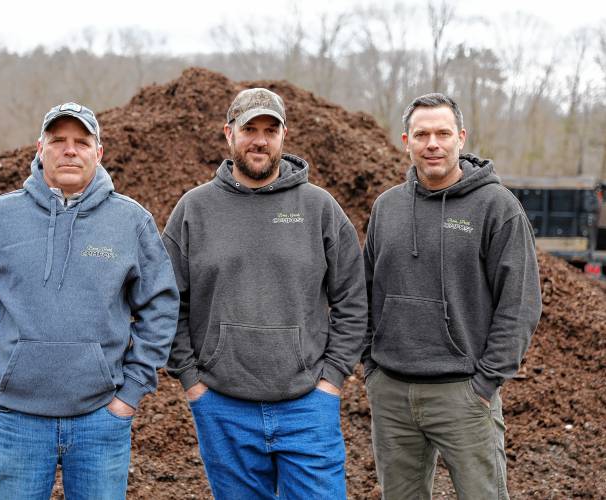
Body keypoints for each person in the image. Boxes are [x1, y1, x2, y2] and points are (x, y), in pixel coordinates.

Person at [0, 102, 179, 499]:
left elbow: (160, 306)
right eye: (58, 141)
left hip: (100, 420)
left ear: (98, 153)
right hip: (15, 420)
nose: (70, 150)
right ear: (40, 148)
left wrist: (131, 392)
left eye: (81, 142)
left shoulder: (131, 222)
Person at [161, 88, 368, 499]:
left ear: (283, 135)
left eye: (269, 130)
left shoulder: (319, 208)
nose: (259, 139)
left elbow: (352, 299)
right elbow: (168, 302)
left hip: (307, 404)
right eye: (249, 129)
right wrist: (191, 381)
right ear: (228, 134)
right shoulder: (194, 210)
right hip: (222, 405)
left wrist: (331, 380)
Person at [361, 93, 542, 499]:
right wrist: (371, 367)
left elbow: (520, 304)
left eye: (443, 133)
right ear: (405, 140)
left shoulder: (497, 207)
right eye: (421, 134)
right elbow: (366, 292)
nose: (433, 144)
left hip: (463, 394)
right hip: (392, 393)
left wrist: (485, 382)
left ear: (461, 137)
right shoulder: (387, 208)